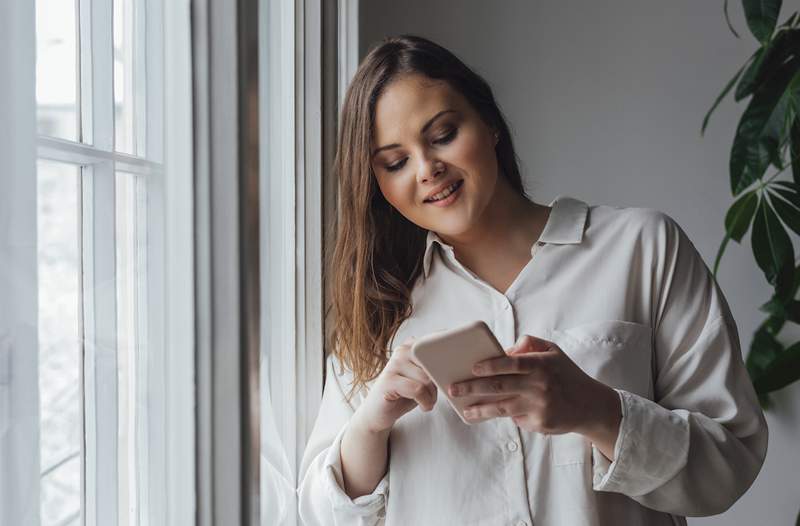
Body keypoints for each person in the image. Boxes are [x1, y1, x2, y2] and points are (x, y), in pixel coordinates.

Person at [296, 34, 768, 526]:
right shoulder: (380, 305)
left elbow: (729, 464)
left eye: (443, 135)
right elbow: (318, 515)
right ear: (378, 185)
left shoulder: (643, 248)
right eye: (395, 162)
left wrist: (598, 411)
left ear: (490, 124)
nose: (427, 169)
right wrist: (372, 422)